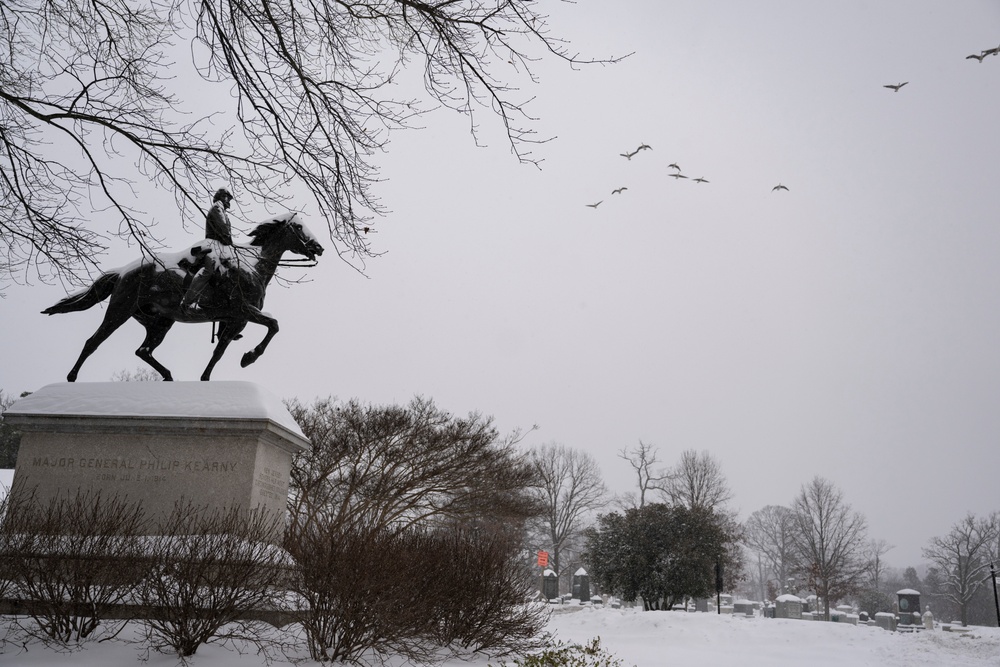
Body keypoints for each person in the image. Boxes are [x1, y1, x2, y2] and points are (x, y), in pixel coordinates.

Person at [180, 188, 235, 314]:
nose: (229, 201)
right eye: (227, 198)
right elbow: (223, 230)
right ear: (221, 197)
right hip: (212, 245)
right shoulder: (217, 208)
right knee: (208, 271)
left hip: (220, 246)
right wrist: (229, 242)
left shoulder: (223, 211)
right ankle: (187, 302)